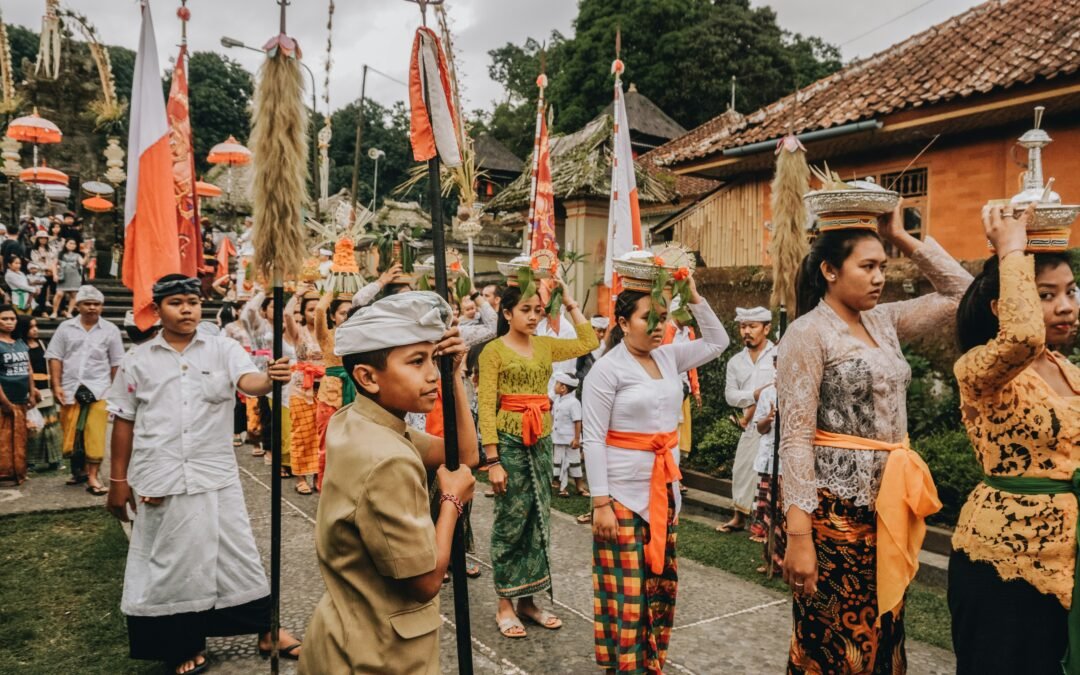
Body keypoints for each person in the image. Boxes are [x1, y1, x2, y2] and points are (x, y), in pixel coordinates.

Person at [778, 201, 973, 673]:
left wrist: (905, 238)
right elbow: (795, 438)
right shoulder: (807, 333)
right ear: (828, 269)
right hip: (834, 516)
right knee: (836, 641)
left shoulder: (883, 321)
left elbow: (963, 295)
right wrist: (799, 536)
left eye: (883, 266)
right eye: (867, 266)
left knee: (886, 632)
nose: (879, 277)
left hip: (890, 506)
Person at [105, 274, 303, 675]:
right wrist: (117, 481)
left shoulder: (223, 349)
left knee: (237, 555)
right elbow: (123, 421)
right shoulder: (137, 361)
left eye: (193, 302)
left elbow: (249, 382)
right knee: (171, 565)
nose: (187, 309)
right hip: (161, 477)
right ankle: (184, 644)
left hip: (215, 476)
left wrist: (270, 379)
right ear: (157, 309)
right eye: (176, 302)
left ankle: (266, 630)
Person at [300, 291, 478, 675]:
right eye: (416, 361)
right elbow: (426, 581)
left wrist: (454, 378)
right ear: (367, 377)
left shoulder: (358, 419)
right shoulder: (389, 459)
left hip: (346, 632)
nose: (431, 372)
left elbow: (463, 454)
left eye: (433, 358)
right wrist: (451, 500)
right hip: (375, 655)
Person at [948, 205, 1080, 674]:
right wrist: (1010, 248)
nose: (1065, 305)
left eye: (1070, 291)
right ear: (1005, 305)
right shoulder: (982, 372)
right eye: (1046, 295)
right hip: (1004, 568)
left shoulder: (1068, 370)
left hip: (1068, 565)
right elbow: (1023, 335)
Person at [583, 269, 728, 674]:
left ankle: (651, 662)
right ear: (624, 323)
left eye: (663, 317)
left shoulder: (668, 356)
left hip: (664, 492)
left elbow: (719, 342)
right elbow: (592, 439)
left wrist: (695, 295)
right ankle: (624, 665)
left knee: (661, 588)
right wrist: (600, 502)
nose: (659, 325)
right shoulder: (606, 371)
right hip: (622, 496)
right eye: (649, 317)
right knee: (628, 593)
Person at [478, 271, 597, 638]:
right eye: (525, 310)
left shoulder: (544, 345)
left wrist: (569, 299)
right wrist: (493, 460)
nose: (533, 316)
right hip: (510, 441)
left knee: (538, 518)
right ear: (507, 312)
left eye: (538, 310)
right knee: (511, 519)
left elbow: (588, 339)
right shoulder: (493, 351)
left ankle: (528, 601)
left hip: (541, 439)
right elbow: (485, 406)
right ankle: (504, 603)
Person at [46, 285, 124, 495]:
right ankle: (78, 472)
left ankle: (92, 477)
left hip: (100, 389)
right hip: (70, 388)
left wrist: (116, 393)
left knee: (94, 433)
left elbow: (117, 363)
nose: (92, 308)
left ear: (102, 306)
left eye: (96, 304)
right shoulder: (65, 328)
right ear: (78, 305)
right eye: (87, 304)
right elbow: (55, 356)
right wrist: (56, 385)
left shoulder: (110, 330)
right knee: (72, 434)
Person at [718, 306, 776, 533]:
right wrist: (753, 395)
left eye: (752, 326)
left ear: (766, 328)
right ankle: (739, 516)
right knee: (742, 468)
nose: (746, 332)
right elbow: (730, 396)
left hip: (774, 424)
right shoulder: (735, 362)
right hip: (750, 426)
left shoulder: (778, 354)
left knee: (770, 472)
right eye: (743, 326)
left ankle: (767, 524)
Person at [284, 289, 324, 494]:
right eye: (310, 309)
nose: (314, 313)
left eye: (318, 309)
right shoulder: (298, 332)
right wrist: (297, 295)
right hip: (302, 389)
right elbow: (288, 315)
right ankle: (300, 477)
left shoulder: (327, 332)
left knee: (322, 435)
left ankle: (319, 475)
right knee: (302, 435)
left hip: (325, 390)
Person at [313, 293, 352, 490]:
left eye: (350, 313)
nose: (347, 316)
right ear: (333, 316)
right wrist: (331, 290)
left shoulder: (360, 338)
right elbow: (319, 309)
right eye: (343, 313)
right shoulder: (326, 335)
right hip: (331, 396)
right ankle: (325, 490)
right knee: (326, 447)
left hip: (356, 394)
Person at [0, 305, 36, 484]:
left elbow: (29, 369)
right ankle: (4, 474)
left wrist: (32, 391)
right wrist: (4, 400)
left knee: (20, 437)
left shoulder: (20, 343)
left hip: (22, 398)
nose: (9, 322)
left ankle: (18, 471)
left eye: (12, 319)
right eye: (4, 319)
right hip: (5, 399)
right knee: (3, 439)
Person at [749, 381, 783, 570]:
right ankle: (769, 559)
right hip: (768, 463)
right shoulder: (768, 393)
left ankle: (783, 560)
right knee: (769, 515)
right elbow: (760, 429)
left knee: (783, 515)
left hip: (787, 465)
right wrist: (768, 419)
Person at [21, 316, 61, 471]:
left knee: (51, 425)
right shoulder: (20, 346)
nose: (35, 330)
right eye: (31, 327)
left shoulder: (43, 344)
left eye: (36, 326)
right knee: (34, 427)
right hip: (30, 389)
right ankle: (31, 460)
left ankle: (54, 459)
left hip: (46, 388)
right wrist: (31, 389)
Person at [550, 372, 586, 497]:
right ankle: (561, 487)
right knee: (559, 461)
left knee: (574, 462)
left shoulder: (573, 402)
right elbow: (554, 418)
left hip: (571, 440)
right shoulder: (557, 401)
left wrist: (577, 438)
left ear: (563, 388)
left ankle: (579, 487)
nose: (554, 386)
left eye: (556, 384)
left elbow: (577, 421)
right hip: (558, 439)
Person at [52, 239, 84, 319]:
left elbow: (83, 263)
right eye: (70, 243)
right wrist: (54, 274)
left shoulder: (77, 255)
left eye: (74, 244)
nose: (72, 245)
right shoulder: (60, 254)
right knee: (59, 294)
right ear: (66, 244)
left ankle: (69, 312)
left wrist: (87, 254)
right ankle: (54, 312)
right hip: (63, 275)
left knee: (73, 294)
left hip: (74, 276)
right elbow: (54, 264)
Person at [574, 316, 609, 387]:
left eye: (604, 331)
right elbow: (578, 367)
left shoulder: (605, 348)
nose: (602, 334)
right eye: (599, 331)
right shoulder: (585, 347)